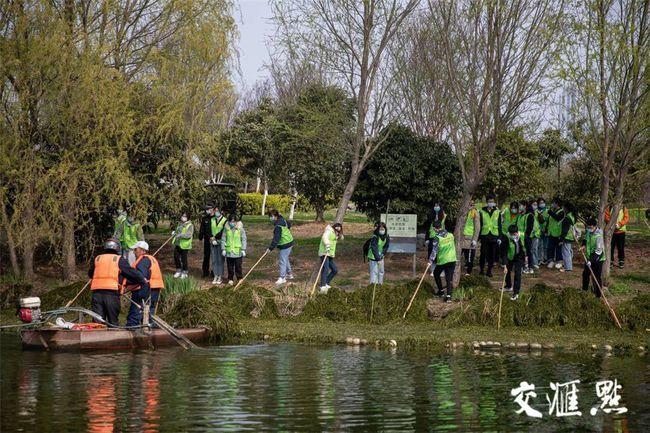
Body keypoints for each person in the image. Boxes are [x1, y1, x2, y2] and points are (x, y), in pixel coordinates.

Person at [88, 238, 146, 326]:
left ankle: (98, 337)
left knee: (97, 322)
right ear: (117, 248)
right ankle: (114, 336)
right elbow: (131, 273)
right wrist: (142, 279)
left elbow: (90, 274)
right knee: (113, 322)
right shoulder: (119, 259)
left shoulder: (98, 258)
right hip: (111, 294)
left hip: (96, 294)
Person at [126, 241, 164, 326]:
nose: (134, 252)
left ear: (142, 250)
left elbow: (141, 277)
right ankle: (148, 328)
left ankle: (132, 329)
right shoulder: (150, 259)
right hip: (154, 288)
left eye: (135, 250)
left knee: (136, 311)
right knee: (149, 312)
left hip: (146, 289)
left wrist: (127, 283)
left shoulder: (144, 261)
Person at [428, 221, 456, 302]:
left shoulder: (437, 238)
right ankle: (449, 296)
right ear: (441, 226)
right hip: (452, 259)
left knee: (436, 274)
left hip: (443, 260)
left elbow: (434, 251)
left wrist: (430, 261)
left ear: (434, 229)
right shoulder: (451, 235)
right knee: (449, 278)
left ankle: (441, 291)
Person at [267, 209, 295, 285]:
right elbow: (289, 225)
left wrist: (270, 248)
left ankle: (282, 278)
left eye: (270, 216)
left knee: (282, 260)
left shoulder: (278, 226)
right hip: (289, 242)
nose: (270, 218)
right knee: (285, 258)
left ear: (274, 216)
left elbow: (276, 238)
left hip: (286, 244)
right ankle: (289, 274)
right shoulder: (282, 220)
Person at [478, 194, 502, 277]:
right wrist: (478, 237)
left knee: (492, 254)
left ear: (494, 202)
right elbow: (480, 224)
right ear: (487, 202)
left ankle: (489, 270)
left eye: (492, 201)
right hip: (484, 235)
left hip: (494, 235)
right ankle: (481, 269)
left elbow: (499, 225)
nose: (490, 203)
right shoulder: (482, 211)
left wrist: (500, 237)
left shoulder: (497, 212)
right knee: (483, 253)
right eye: (489, 201)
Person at [581, 218, 605, 298]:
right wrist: (583, 245)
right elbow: (585, 238)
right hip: (588, 257)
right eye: (588, 227)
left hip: (598, 259)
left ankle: (598, 295)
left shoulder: (599, 236)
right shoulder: (588, 231)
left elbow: (598, 251)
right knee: (585, 274)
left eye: (590, 227)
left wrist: (591, 261)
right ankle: (584, 290)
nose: (588, 229)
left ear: (595, 226)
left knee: (596, 277)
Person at [318, 222, 343, 293]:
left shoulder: (335, 233)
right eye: (337, 228)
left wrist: (339, 236)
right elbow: (324, 238)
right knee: (325, 269)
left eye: (339, 229)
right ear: (334, 227)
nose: (338, 229)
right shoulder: (328, 230)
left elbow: (335, 239)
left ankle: (326, 282)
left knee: (335, 270)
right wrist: (327, 245)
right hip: (324, 252)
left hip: (330, 254)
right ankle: (322, 286)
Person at [222, 215, 247, 285]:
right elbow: (223, 239)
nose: (232, 223)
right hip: (229, 251)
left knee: (238, 266)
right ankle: (230, 279)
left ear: (236, 222)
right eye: (230, 221)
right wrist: (223, 249)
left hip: (238, 251)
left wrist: (243, 249)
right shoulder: (226, 229)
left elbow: (244, 239)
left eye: (233, 221)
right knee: (230, 266)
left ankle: (239, 278)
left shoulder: (240, 229)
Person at [504, 224, 526, 301]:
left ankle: (516, 293)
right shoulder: (506, 237)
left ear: (517, 232)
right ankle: (508, 286)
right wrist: (504, 264)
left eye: (514, 234)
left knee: (517, 274)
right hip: (510, 256)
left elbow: (525, 246)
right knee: (507, 271)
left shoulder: (522, 235)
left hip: (519, 257)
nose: (512, 235)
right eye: (511, 234)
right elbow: (504, 251)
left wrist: (525, 257)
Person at [425, 203, 447, 269]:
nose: (436, 207)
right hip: (432, 236)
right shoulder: (430, 215)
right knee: (431, 252)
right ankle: (432, 269)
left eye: (437, 206)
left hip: (441, 237)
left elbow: (447, 227)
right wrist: (427, 238)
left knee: (440, 253)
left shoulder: (444, 216)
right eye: (435, 206)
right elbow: (427, 227)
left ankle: (440, 268)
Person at [461, 200, 480, 275]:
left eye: (472, 205)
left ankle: (468, 272)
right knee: (458, 255)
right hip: (462, 238)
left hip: (470, 239)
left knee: (469, 257)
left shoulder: (475, 213)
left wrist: (475, 239)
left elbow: (477, 227)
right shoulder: (463, 212)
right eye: (469, 205)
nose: (470, 206)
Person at [209, 207, 227, 284]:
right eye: (215, 211)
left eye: (217, 211)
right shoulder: (212, 219)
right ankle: (215, 275)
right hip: (212, 241)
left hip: (220, 241)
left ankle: (220, 276)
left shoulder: (224, 220)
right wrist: (212, 239)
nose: (216, 212)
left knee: (220, 259)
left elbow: (223, 231)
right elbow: (209, 230)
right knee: (214, 259)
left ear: (221, 211)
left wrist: (216, 238)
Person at [172, 213, 193, 279]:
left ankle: (185, 272)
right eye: (182, 216)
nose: (183, 217)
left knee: (184, 259)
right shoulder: (180, 224)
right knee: (176, 256)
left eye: (184, 216)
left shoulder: (190, 225)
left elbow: (189, 235)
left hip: (185, 245)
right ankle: (178, 270)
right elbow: (177, 231)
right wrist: (174, 233)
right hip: (178, 243)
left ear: (188, 217)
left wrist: (180, 235)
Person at [517, 201, 536, 274]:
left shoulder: (529, 215)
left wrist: (525, 236)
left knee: (528, 252)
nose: (519, 207)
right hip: (519, 236)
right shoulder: (520, 215)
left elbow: (529, 227)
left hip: (526, 237)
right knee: (521, 252)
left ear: (525, 206)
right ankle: (523, 266)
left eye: (520, 205)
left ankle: (530, 267)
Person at [546, 198, 565, 269]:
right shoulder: (553, 211)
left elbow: (558, 218)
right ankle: (551, 261)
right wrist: (546, 229)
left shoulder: (561, 211)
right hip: (551, 233)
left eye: (553, 203)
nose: (552, 204)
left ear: (557, 204)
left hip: (558, 233)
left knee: (558, 248)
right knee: (550, 247)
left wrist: (550, 212)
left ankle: (559, 262)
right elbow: (549, 222)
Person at [500, 202, 520, 266]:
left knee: (512, 248)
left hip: (512, 233)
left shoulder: (518, 214)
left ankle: (512, 261)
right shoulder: (506, 210)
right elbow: (500, 216)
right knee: (504, 248)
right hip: (504, 232)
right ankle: (503, 262)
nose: (513, 209)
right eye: (512, 208)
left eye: (515, 208)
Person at [558, 202, 577, 272]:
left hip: (567, 237)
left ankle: (568, 267)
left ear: (566, 208)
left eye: (564, 208)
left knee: (566, 252)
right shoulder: (572, 215)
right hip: (571, 236)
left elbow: (565, 230)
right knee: (569, 252)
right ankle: (568, 265)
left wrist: (561, 239)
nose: (563, 209)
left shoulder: (567, 218)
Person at [198, 205, 214, 278]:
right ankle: (205, 272)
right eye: (206, 209)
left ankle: (214, 272)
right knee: (206, 256)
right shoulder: (205, 218)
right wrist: (200, 238)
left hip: (215, 240)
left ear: (212, 209)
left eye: (209, 209)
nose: (207, 210)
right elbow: (202, 229)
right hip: (207, 240)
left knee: (214, 257)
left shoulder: (216, 218)